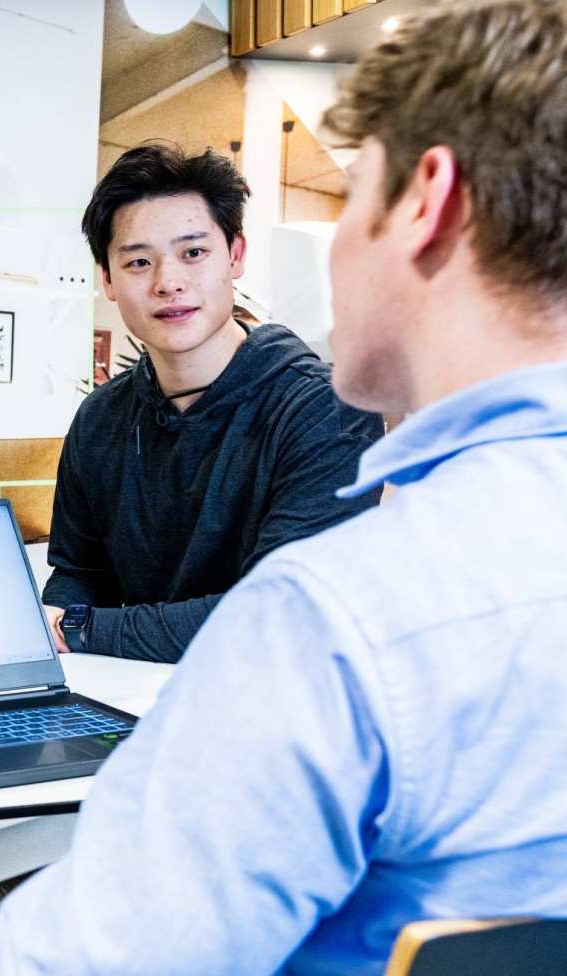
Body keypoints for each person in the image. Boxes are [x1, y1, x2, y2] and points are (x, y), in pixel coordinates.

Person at [0, 0, 567, 974]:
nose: (168, 282)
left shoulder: (333, 622)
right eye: (137, 261)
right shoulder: (112, 429)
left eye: (352, 194)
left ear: (423, 200)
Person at [41, 143, 384, 662]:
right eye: (138, 261)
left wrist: (84, 629)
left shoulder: (325, 411)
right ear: (107, 280)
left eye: (194, 253)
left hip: (278, 715)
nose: (168, 282)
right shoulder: (100, 418)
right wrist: (61, 624)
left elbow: (278, 618)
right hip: (127, 703)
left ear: (236, 256)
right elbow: (78, 577)